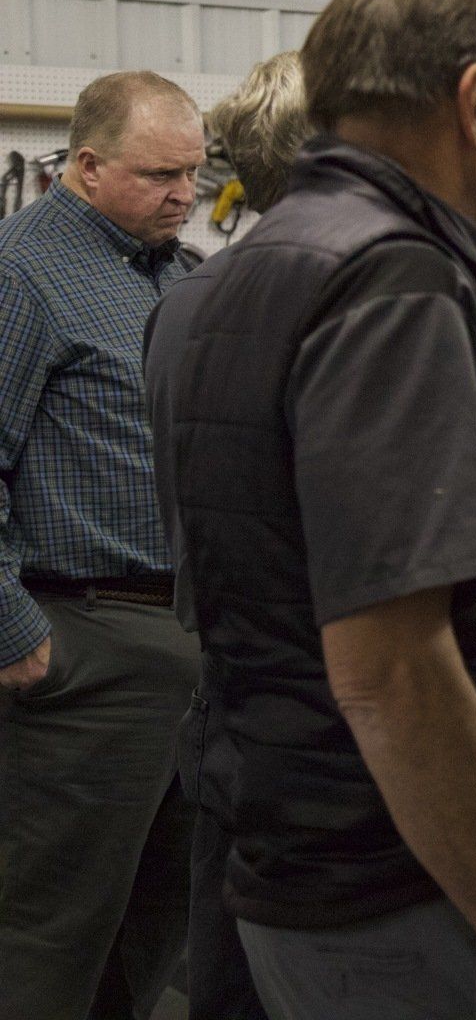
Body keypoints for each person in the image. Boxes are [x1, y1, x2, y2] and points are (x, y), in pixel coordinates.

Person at [145, 0, 476, 1020]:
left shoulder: (256, 267)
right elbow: (390, 667)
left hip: (312, 852)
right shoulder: (394, 279)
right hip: (412, 889)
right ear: (474, 102)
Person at [0, 70, 205, 1020]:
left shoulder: (182, 275)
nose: (184, 194)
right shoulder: (22, 272)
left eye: (196, 173)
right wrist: (16, 636)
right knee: (50, 932)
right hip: (83, 645)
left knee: (158, 919)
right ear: (85, 167)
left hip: (188, 641)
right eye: (161, 174)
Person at [145, 50, 311, 1020]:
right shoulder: (365, 302)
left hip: (227, 696)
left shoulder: (183, 302)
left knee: (231, 978)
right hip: (334, 724)